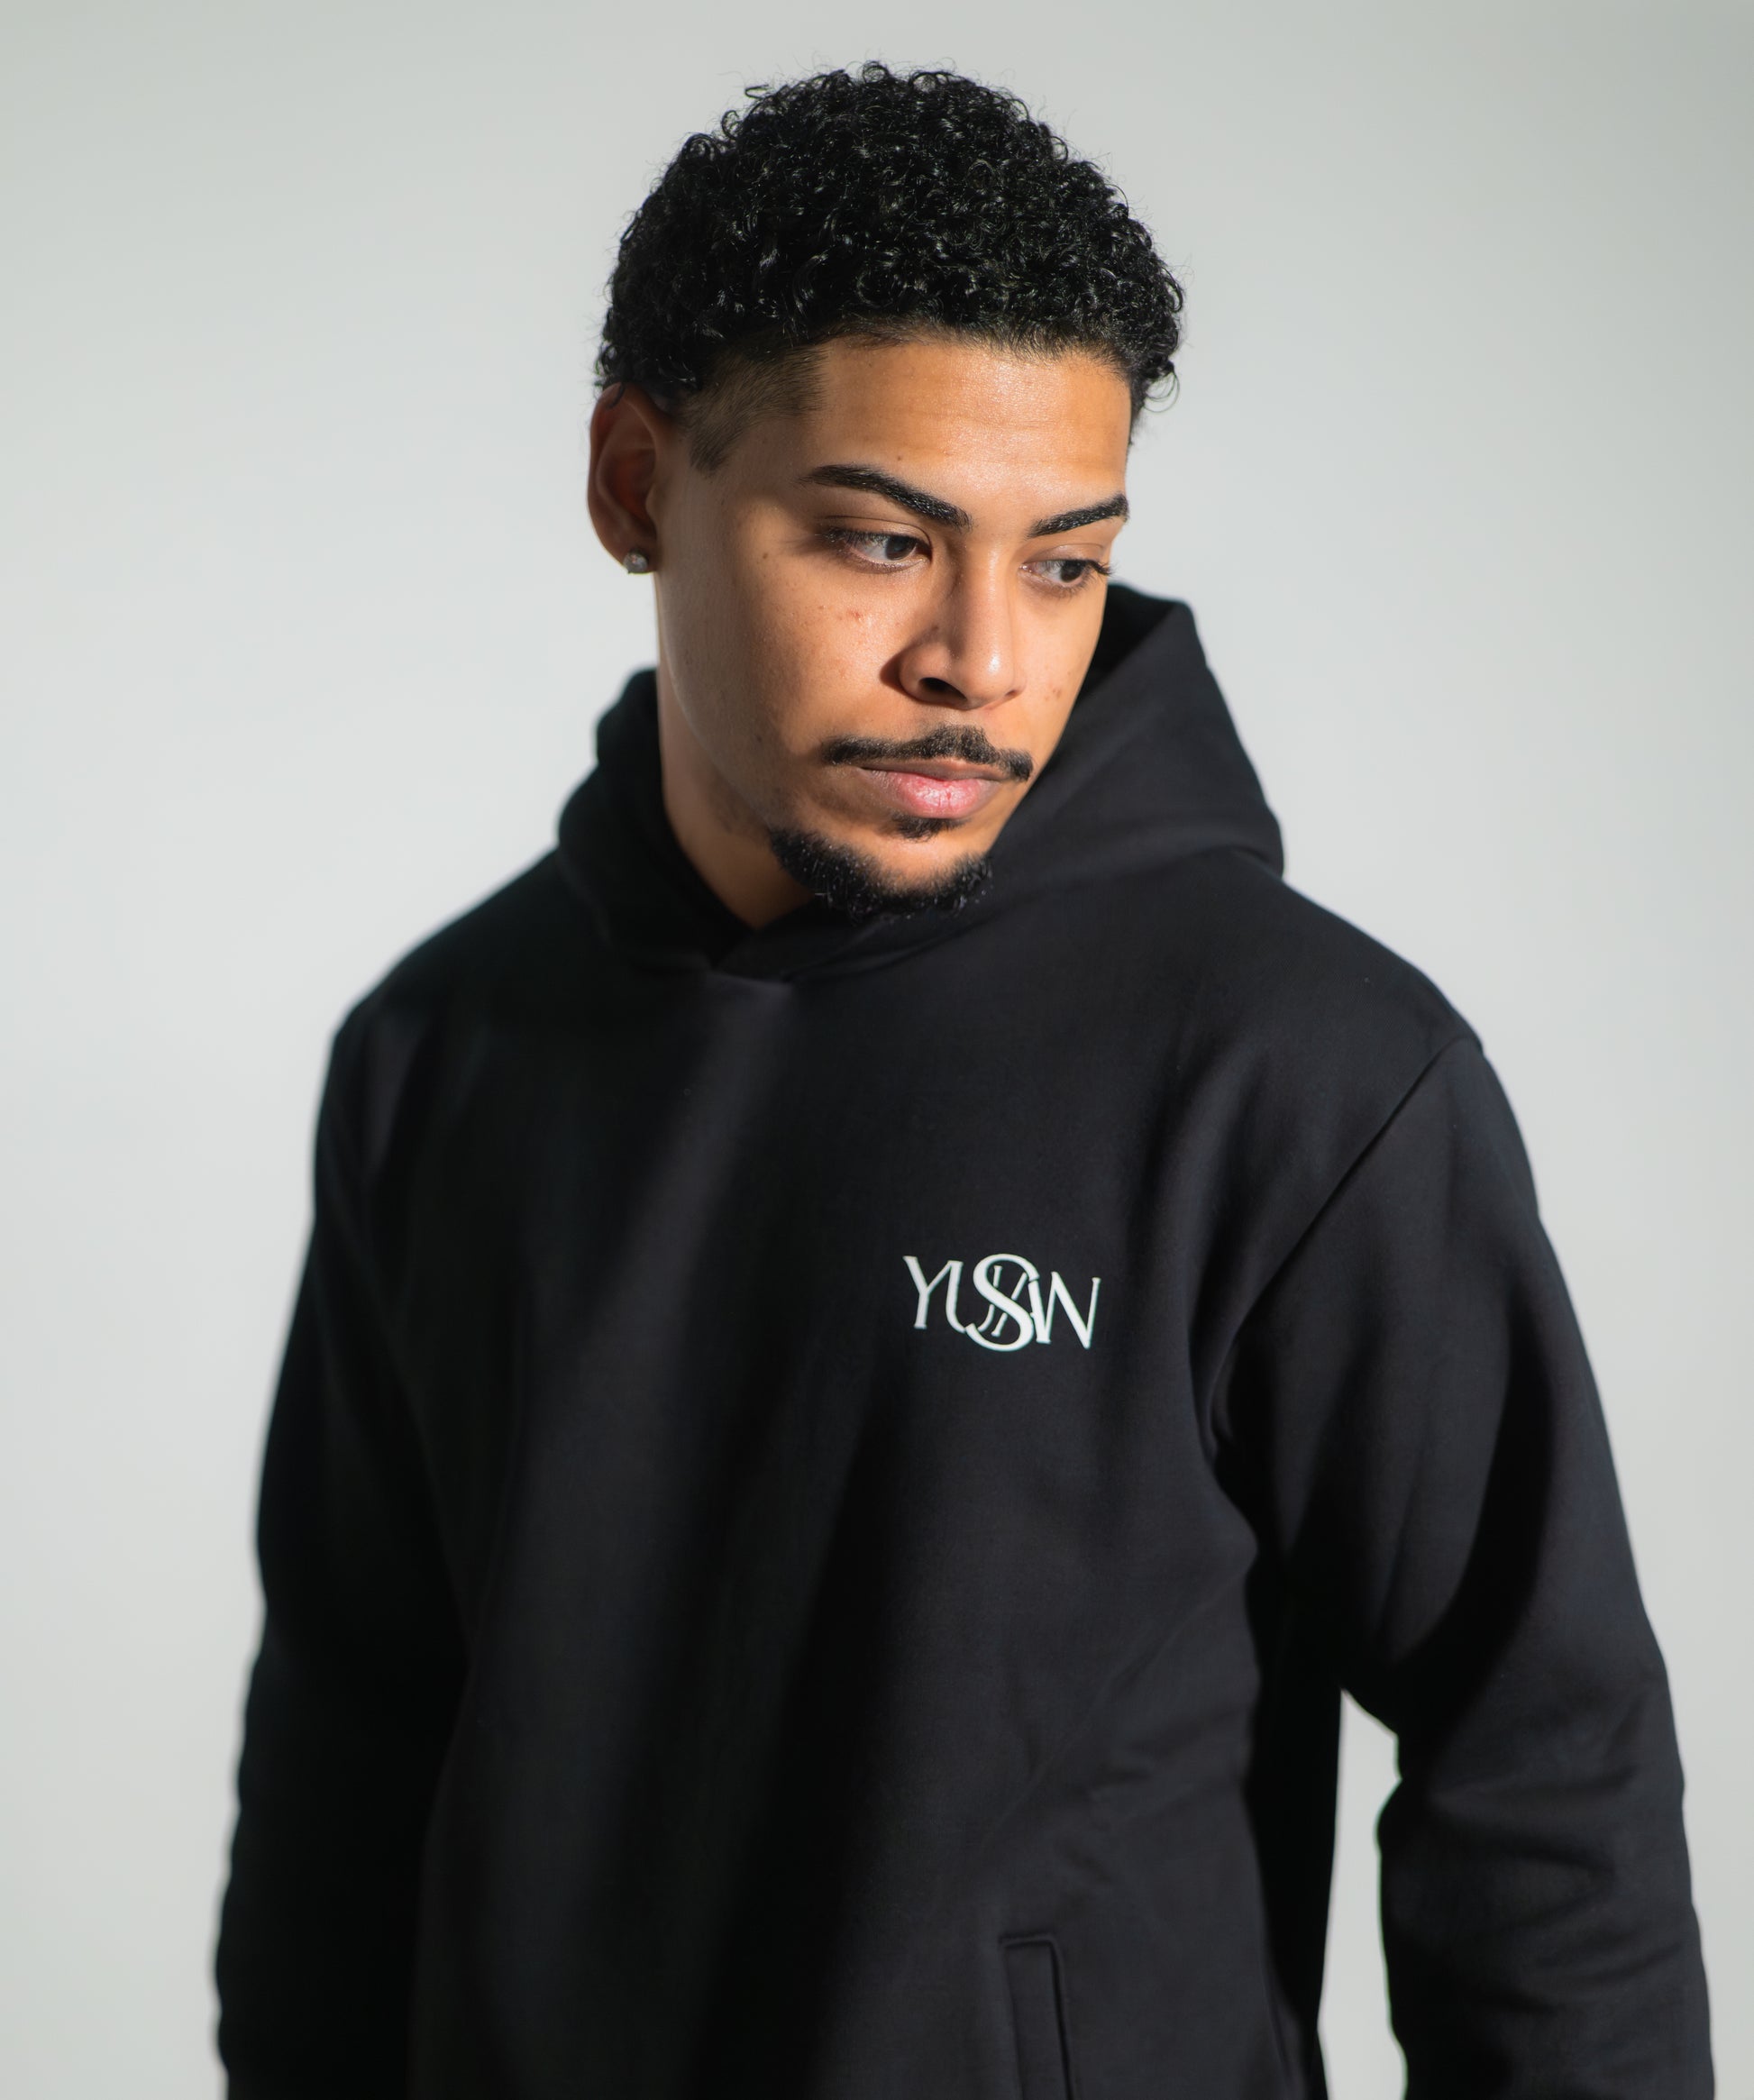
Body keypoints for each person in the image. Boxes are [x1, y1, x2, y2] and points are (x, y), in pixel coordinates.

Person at [214, 62, 1713, 2100]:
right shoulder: (441, 1052)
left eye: (1063, 562)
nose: (981, 660)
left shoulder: (1302, 1075)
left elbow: (1543, 1770)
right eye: (878, 541)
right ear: (637, 483)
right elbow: (348, 1738)